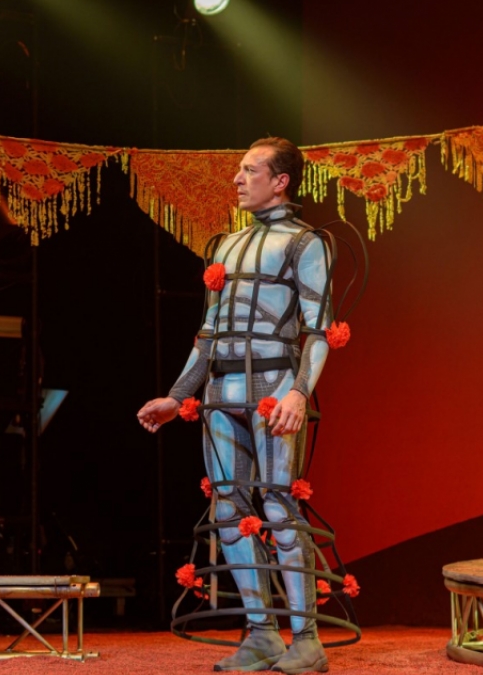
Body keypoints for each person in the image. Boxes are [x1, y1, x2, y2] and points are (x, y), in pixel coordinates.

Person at [138, 138, 333, 673]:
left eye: (250, 170)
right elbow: (208, 334)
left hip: (273, 386)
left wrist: (299, 391)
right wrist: (177, 396)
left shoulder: (305, 243)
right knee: (228, 507)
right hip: (221, 393)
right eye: (239, 170)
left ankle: (307, 640)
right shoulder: (225, 244)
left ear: (281, 181)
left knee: (277, 506)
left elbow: (318, 330)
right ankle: (262, 635)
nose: (237, 179)